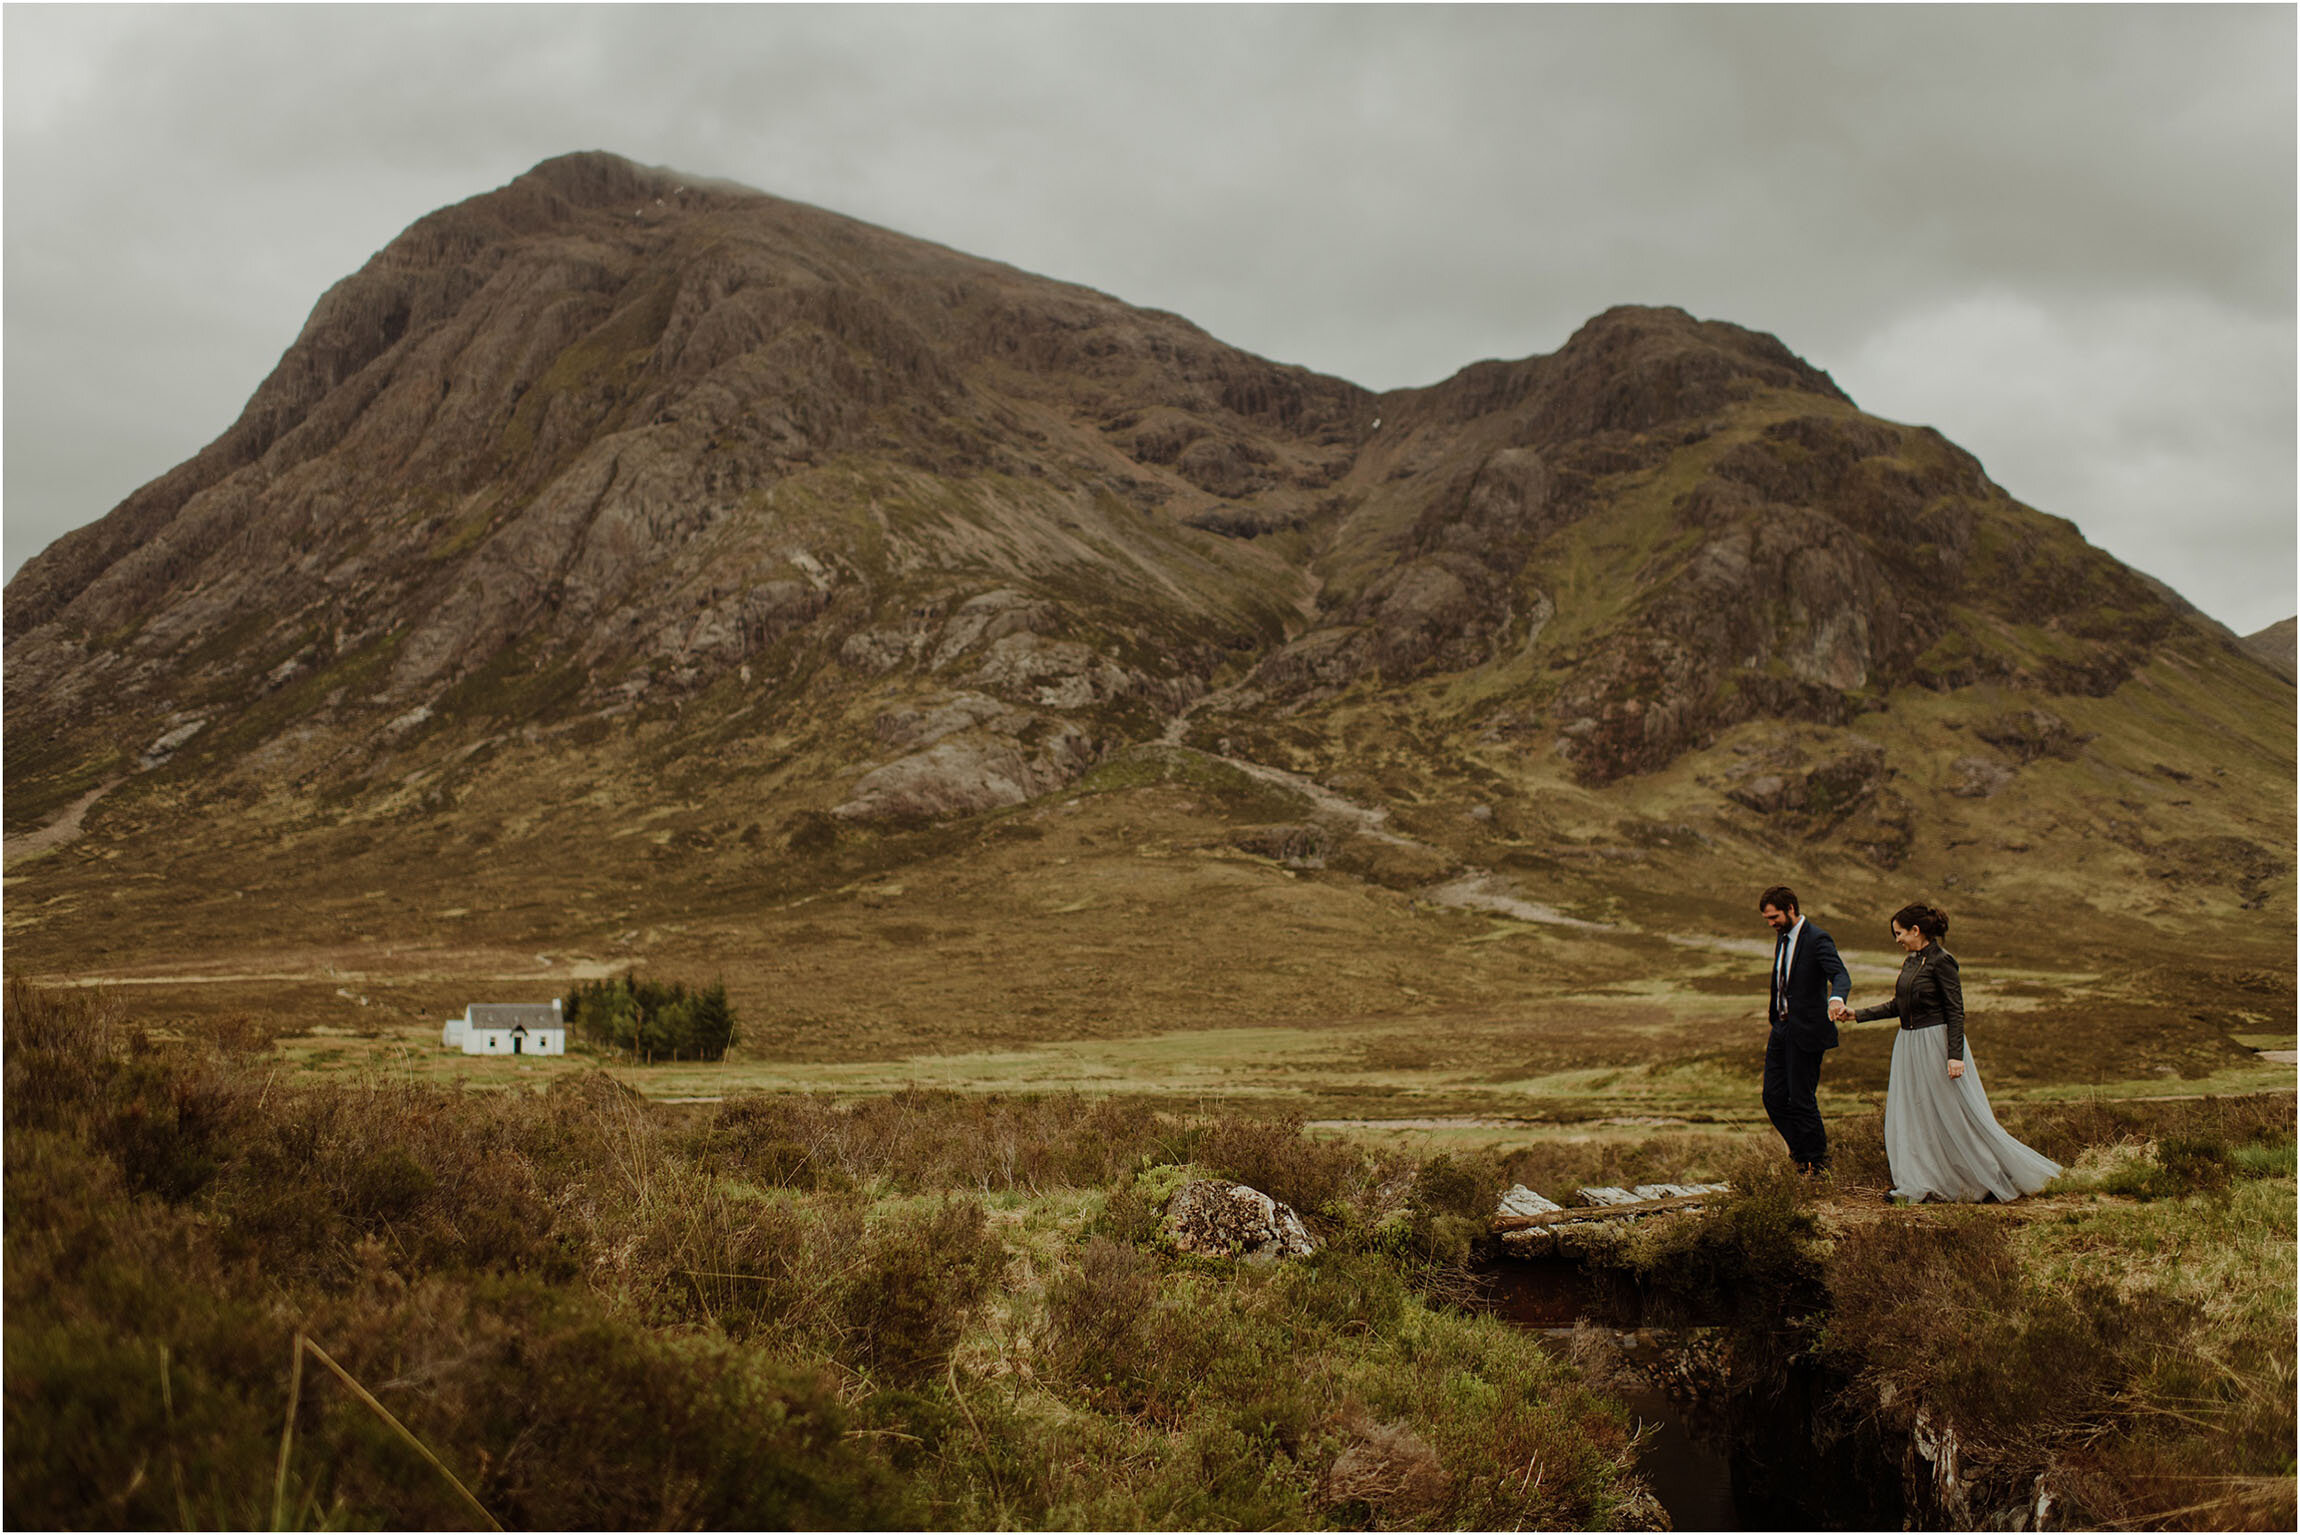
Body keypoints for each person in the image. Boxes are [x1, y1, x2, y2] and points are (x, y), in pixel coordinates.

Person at [1831, 903, 2061, 1203]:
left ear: (1916, 930)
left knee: (1957, 1114)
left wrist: (1955, 1056)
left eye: (1899, 933)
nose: (1897, 939)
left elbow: (1955, 1010)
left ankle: (1987, 1179)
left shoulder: (1943, 962)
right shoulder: (1912, 961)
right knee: (1916, 1114)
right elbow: (1899, 1005)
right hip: (1909, 1046)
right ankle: (1920, 1183)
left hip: (1937, 1046)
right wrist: (1857, 1015)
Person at [1759, 884, 1849, 1174]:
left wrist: (1836, 999)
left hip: (1807, 1031)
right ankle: (1803, 1155)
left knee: (1801, 1099)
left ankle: (1818, 1166)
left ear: (1791, 909)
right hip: (1782, 1028)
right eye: (1767, 919)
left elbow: (1839, 974)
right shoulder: (1782, 937)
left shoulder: (1817, 938)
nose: (1771, 923)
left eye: (1774, 917)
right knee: (1772, 1098)